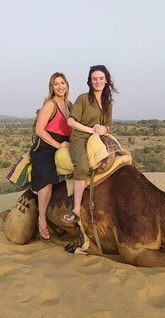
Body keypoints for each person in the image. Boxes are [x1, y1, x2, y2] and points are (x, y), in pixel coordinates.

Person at [62, 65, 118, 223]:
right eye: (94, 79)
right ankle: (76, 209)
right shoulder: (83, 98)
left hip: (97, 138)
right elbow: (70, 121)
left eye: (101, 78)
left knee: (120, 157)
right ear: (90, 81)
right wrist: (90, 129)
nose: (98, 81)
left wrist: (103, 129)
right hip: (80, 137)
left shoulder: (108, 103)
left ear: (106, 80)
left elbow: (108, 125)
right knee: (83, 167)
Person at [31, 72, 72, 240]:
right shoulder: (50, 105)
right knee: (48, 178)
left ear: (67, 85)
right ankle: (42, 218)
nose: (60, 86)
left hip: (64, 145)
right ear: (52, 87)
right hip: (46, 147)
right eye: (56, 84)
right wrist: (58, 146)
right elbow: (39, 130)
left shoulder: (70, 105)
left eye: (62, 83)